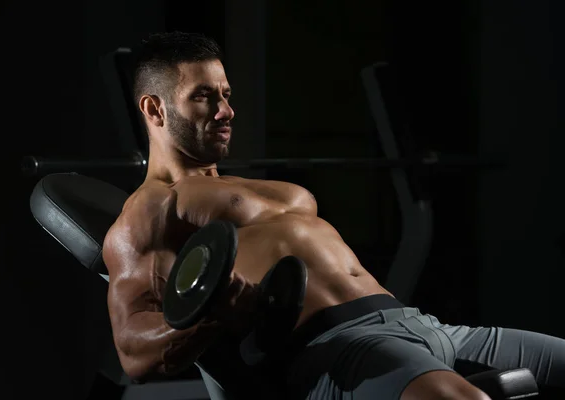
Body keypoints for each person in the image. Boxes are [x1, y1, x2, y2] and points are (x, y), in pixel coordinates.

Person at [102, 31, 565, 399]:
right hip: (346, 349)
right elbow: (133, 354)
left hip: (423, 325)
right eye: (204, 97)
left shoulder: (238, 186)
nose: (227, 110)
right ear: (154, 109)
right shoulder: (151, 208)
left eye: (226, 94)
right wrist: (211, 316)